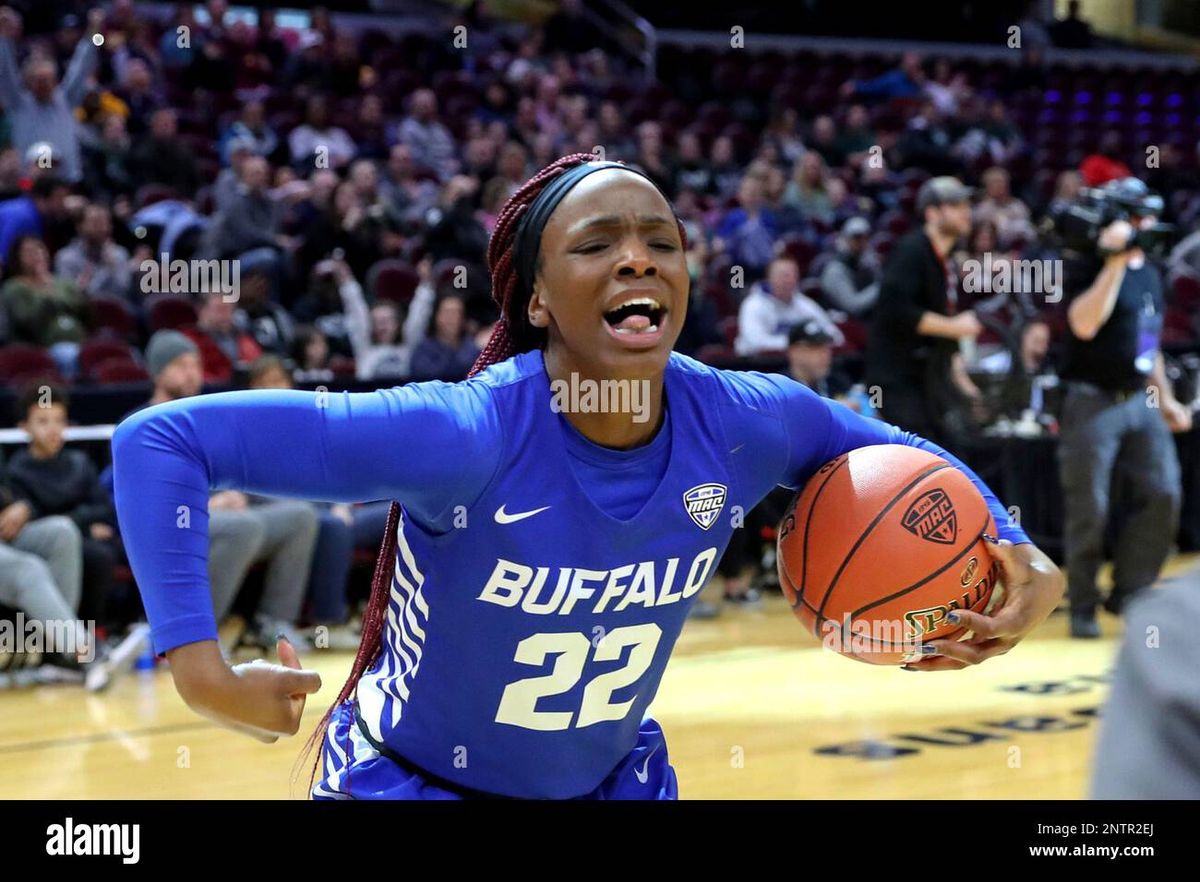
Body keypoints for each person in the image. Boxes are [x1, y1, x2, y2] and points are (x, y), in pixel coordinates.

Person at [111, 155, 1063, 801]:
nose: (639, 256)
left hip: (616, 783)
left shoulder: (745, 419)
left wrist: (1019, 552)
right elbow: (159, 444)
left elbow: (906, 455)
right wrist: (200, 673)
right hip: (413, 784)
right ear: (535, 298)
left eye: (661, 241)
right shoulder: (465, 433)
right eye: (598, 244)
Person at [1058, 179, 1188, 637]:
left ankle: (1131, 591)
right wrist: (1113, 262)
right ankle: (1083, 604)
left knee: (1163, 492)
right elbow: (1085, 324)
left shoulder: (1150, 272)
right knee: (1089, 505)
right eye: (1138, 219)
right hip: (1091, 400)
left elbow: (1148, 343)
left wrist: (1167, 399)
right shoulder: (1083, 266)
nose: (1147, 228)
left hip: (1139, 398)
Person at [865, 176, 983, 446]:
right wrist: (954, 327)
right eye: (956, 205)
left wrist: (965, 385)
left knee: (950, 451)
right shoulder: (911, 251)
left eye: (967, 204)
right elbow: (897, 310)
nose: (966, 211)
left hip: (927, 382)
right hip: (897, 382)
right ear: (931, 213)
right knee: (921, 459)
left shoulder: (944, 260)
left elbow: (944, 333)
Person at [734, 256, 843, 356]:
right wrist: (800, 343)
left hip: (798, 364)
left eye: (793, 275)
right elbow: (755, 343)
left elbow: (836, 336)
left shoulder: (804, 304)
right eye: (783, 275)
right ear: (769, 278)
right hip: (758, 367)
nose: (789, 280)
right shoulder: (753, 305)